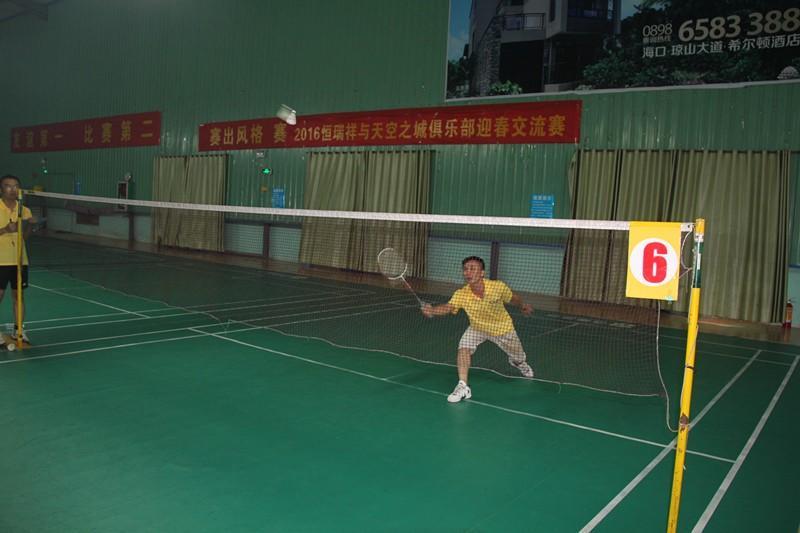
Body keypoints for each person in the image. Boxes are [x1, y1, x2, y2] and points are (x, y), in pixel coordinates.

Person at [422, 256, 534, 403]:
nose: (468, 272)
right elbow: (449, 307)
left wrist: (523, 306)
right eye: (465, 269)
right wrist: (432, 310)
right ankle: (463, 386)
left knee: (518, 357)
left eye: (473, 269)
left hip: (502, 329)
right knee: (463, 348)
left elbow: (513, 298)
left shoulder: (497, 287)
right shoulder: (461, 294)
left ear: (482, 273)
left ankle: (519, 363)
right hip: (477, 328)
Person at [0, 174, 35, 343]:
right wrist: (5, 229)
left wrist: (31, 225)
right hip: (1, 260)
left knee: (18, 296)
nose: (12, 189)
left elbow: (24, 237)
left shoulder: (25, 210)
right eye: (8, 186)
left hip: (20, 260)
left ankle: (18, 329)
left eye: (16, 186)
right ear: (1, 189)